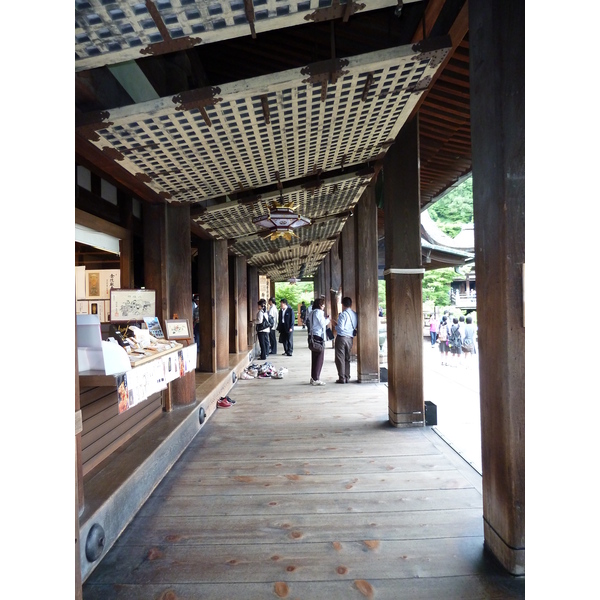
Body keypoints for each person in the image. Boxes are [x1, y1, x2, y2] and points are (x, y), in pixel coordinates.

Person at [334, 296, 357, 383]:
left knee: (340, 358)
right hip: (350, 338)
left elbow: (340, 328)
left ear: (342, 304)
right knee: (347, 358)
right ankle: (347, 376)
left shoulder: (343, 314)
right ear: (351, 304)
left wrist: (335, 325)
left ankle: (342, 377)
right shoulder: (355, 314)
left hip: (341, 338)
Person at [308, 297, 329, 386]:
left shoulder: (311, 312)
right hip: (319, 336)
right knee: (319, 358)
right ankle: (316, 378)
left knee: (314, 357)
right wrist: (328, 319)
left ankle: (313, 377)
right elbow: (323, 324)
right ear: (320, 305)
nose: (324, 306)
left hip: (312, 335)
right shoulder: (319, 312)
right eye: (323, 304)